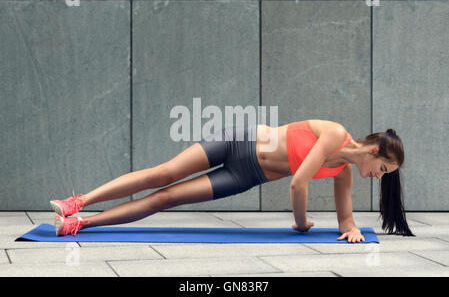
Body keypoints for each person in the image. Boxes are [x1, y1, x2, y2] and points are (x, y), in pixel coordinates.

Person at [50, 119, 414, 241]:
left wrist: (349, 228)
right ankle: (78, 202)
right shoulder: (335, 134)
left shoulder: (344, 172)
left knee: (167, 198)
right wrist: (301, 223)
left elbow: (346, 219)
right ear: (373, 153)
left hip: (244, 175)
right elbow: (298, 184)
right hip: (238, 140)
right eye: (382, 171)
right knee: (163, 173)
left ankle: (80, 223)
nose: (377, 178)